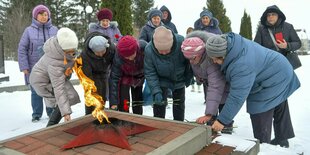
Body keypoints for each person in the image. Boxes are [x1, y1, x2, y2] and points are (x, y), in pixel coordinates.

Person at [205, 33, 300, 148]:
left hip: (275, 76)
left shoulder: (241, 65)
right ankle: (282, 139)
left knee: (259, 110)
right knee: (278, 103)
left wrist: (222, 121)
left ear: (224, 55)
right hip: (279, 67)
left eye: (216, 59)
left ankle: (263, 146)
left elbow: (237, 96)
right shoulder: (230, 43)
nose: (214, 62)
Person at [29, 27, 81, 127]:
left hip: (54, 77)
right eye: (68, 52)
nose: (71, 54)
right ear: (62, 49)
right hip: (41, 82)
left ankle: (54, 120)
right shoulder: (54, 62)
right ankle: (50, 126)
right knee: (63, 100)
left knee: (72, 96)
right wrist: (66, 113)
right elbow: (59, 88)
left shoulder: (64, 52)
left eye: (73, 51)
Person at [181, 31, 231, 131]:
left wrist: (209, 114)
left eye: (193, 58)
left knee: (223, 106)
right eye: (188, 59)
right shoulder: (194, 54)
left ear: (201, 53)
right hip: (211, 84)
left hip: (223, 86)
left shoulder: (211, 61)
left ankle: (226, 129)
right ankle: (213, 126)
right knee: (213, 106)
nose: (191, 61)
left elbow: (216, 87)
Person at [18, 4, 58, 122]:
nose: (43, 17)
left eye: (45, 14)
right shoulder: (29, 31)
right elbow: (22, 49)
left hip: (51, 66)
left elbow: (60, 47)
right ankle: (36, 113)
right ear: (36, 16)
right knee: (35, 91)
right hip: (34, 66)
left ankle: (51, 112)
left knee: (50, 89)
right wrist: (24, 66)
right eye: (40, 14)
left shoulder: (54, 30)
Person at [144, 26, 193, 121]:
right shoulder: (149, 50)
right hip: (161, 79)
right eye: (160, 51)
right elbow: (150, 72)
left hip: (179, 77)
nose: (164, 53)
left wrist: (188, 75)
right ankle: (159, 126)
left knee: (179, 104)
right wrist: (156, 91)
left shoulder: (181, 42)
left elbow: (188, 62)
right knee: (159, 104)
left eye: (167, 50)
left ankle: (179, 125)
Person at [109, 36, 147, 114]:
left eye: (132, 55)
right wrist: (113, 102)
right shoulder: (118, 57)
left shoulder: (144, 48)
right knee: (124, 101)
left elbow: (151, 68)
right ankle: (125, 117)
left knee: (137, 101)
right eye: (126, 57)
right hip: (125, 77)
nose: (130, 59)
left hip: (139, 77)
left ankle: (138, 118)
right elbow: (114, 79)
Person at [81, 32, 115, 115]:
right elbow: (87, 77)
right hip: (92, 74)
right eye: (97, 52)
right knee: (91, 95)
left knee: (102, 96)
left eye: (102, 51)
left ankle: (100, 115)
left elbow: (115, 66)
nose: (100, 54)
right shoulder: (85, 55)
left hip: (104, 72)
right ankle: (89, 116)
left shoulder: (112, 49)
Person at [193, 9, 222, 105]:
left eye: (206, 18)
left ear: (210, 19)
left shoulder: (216, 29)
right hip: (202, 56)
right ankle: (207, 98)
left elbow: (221, 40)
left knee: (213, 78)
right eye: (203, 18)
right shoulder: (197, 29)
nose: (205, 20)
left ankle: (215, 97)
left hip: (213, 56)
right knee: (205, 78)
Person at [139, 8, 165, 105]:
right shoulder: (145, 28)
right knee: (150, 79)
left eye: (158, 18)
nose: (156, 20)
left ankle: (160, 98)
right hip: (149, 56)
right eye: (154, 18)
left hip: (162, 56)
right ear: (151, 19)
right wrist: (150, 47)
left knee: (161, 79)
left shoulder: (164, 28)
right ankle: (147, 101)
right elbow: (141, 41)